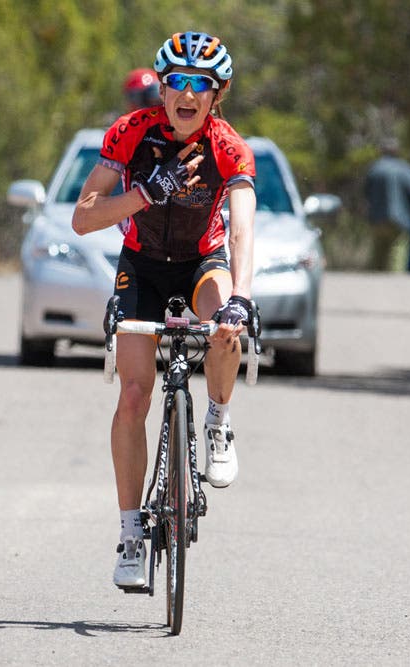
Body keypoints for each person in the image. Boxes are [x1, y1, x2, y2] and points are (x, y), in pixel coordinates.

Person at [71, 31, 257, 589]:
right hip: (142, 265)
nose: (188, 93)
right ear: (162, 87)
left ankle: (219, 423)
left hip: (203, 261)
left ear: (217, 94)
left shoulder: (229, 147)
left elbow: (244, 226)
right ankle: (131, 532)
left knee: (225, 324)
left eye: (201, 84)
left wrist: (242, 299)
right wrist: (143, 197)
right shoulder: (130, 134)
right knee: (134, 394)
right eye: (177, 80)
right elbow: (82, 217)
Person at [364, 138, 410, 272]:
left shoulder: (374, 168)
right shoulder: (405, 169)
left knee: (378, 255)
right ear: (397, 151)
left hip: (377, 218)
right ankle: (396, 286)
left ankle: (374, 285)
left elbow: (366, 193)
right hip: (400, 219)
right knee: (398, 254)